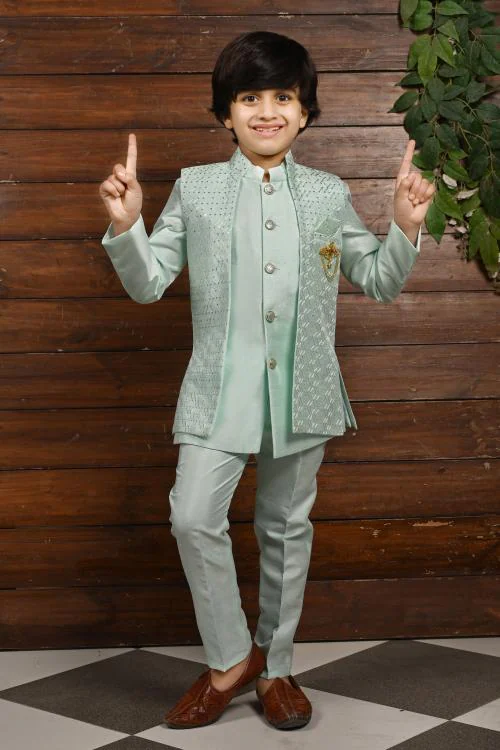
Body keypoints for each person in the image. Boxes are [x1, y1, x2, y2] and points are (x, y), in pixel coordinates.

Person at [98, 30, 435, 731]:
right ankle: (232, 661)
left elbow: (377, 280)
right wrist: (129, 227)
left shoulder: (327, 192)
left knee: (286, 530)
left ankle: (276, 667)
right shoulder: (197, 187)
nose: (267, 111)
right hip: (217, 391)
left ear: (305, 112)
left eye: (283, 96)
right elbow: (149, 283)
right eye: (249, 98)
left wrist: (404, 227)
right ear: (226, 113)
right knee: (193, 515)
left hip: (303, 391)